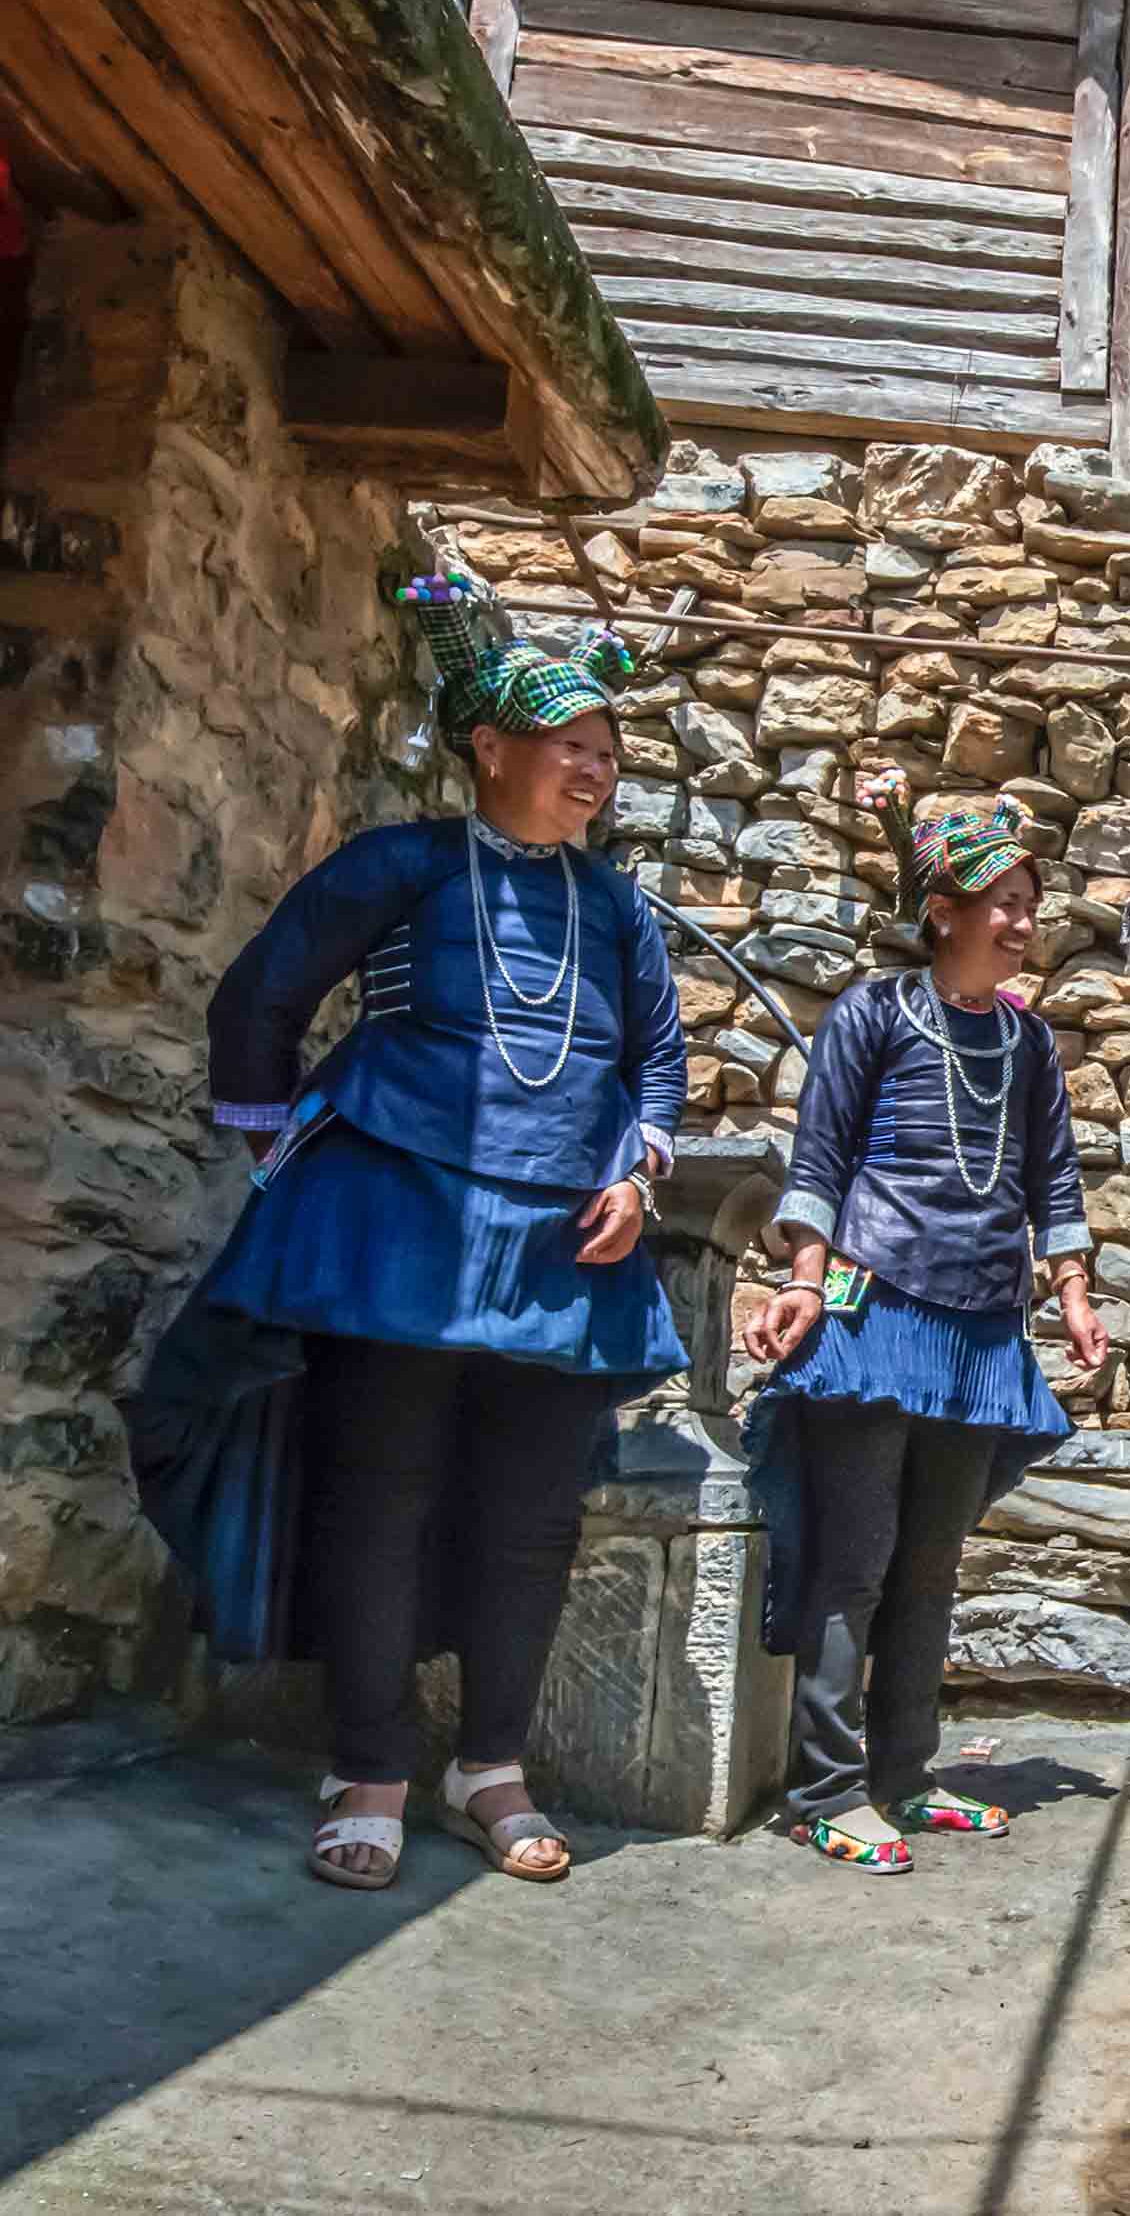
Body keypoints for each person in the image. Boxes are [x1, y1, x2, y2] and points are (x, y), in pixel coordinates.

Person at [119, 571, 685, 1891]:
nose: (596, 767)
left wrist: (641, 1177)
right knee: (380, 1494)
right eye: (571, 744)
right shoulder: (402, 865)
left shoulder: (618, 913)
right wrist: (286, 1151)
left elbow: (658, 1059)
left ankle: (490, 1762)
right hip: (398, 1232)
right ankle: (368, 1760)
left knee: (533, 1515)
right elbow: (263, 993)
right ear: (490, 749)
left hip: (562, 1243)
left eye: (608, 750)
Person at [738, 782, 1104, 1874]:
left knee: (932, 1565)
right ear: (941, 908)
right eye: (1002, 897)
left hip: (982, 1324)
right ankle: (824, 1787)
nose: (1023, 918)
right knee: (855, 1559)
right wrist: (805, 1277)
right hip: (877, 1306)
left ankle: (904, 1772)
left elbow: (1053, 1174)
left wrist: (1073, 1289)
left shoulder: (1030, 1043)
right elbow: (818, 1159)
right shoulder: (871, 1012)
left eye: (1031, 899)